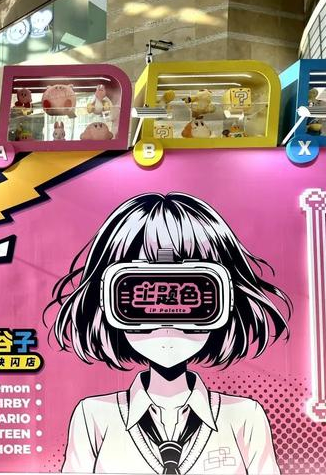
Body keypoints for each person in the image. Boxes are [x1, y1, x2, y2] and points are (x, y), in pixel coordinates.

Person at [50, 193, 291, 475]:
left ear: (226, 300)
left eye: (191, 296)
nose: (167, 322)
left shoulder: (245, 417)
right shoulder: (94, 415)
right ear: (105, 301)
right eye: (142, 296)